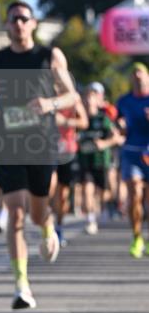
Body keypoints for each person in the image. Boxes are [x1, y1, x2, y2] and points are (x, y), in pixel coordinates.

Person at [0, 0, 78, 310]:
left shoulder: (49, 56)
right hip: (8, 143)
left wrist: (50, 104)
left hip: (40, 142)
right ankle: (21, 285)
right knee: (15, 212)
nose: (19, 24)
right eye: (13, 19)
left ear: (33, 23)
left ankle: (48, 228)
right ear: (7, 25)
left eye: (24, 18)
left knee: (37, 213)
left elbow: (72, 95)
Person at [77, 83, 121, 235]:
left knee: (103, 192)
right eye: (86, 97)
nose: (89, 101)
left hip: (101, 160)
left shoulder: (103, 118)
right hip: (85, 161)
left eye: (92, 97)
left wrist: (104, 143)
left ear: (97, 100)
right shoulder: (79, 118)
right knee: (87, 190)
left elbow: (116, 138)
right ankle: (90, 220)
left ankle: (106, 208)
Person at [115, 62, 149, 258]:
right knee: (135, 193)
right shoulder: (124, 101)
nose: (137, 76)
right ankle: (137, 237)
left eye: (141, 73)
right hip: (131, 152)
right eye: (134, 73)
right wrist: (119, 127)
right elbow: (118, 126)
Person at [52, 94, 88, 246]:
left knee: (62, 195)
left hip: (68, 151)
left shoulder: (73, 98)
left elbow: (84, 122)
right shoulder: (45, 95)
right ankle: (46, 224)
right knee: (49, 188)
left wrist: (65, 121)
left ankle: (58, 227)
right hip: (47, 150)